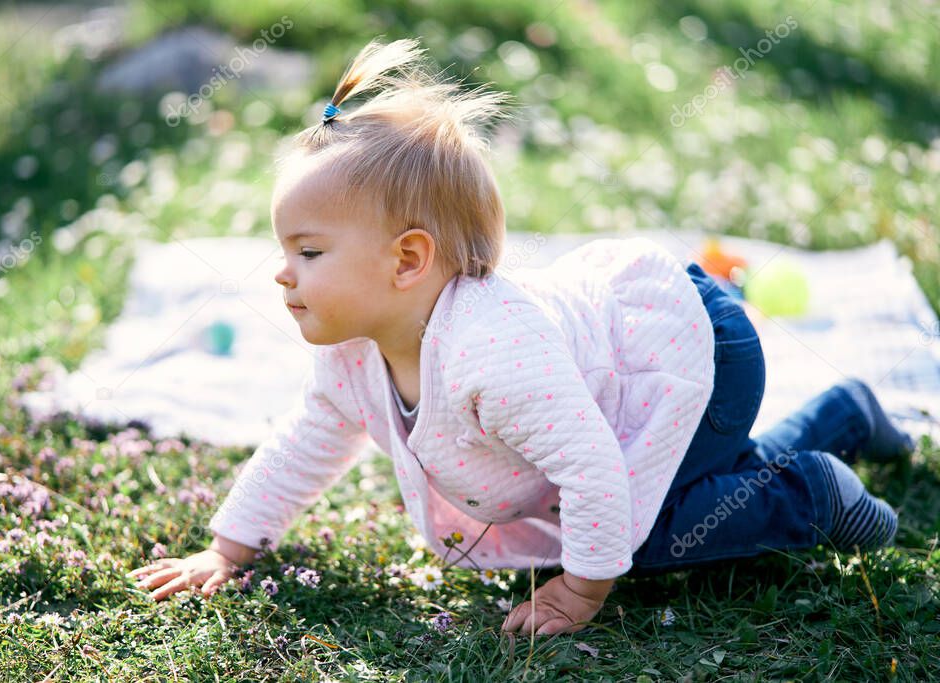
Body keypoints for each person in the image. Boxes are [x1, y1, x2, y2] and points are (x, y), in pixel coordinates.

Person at [128, 37, 913, 637]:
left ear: (408, 260)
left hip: (685, 346)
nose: (281, 273)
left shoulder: (490, 357)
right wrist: (229, 547)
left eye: (307, 252)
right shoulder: (353, 353)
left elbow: (597, 472)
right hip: (615, 367)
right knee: (662, 498)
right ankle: (844, 412)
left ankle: (810, 491)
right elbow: (307, 440)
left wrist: (580, 589)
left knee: (643, 526)